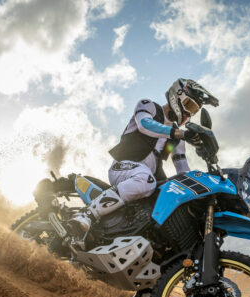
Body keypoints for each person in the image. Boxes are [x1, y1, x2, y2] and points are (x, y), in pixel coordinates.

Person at [68, 78, 219, 241]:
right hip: (123, 167)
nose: (189, 113)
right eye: (189, 105)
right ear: (178, 95)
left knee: (170, 196)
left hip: (147, 180)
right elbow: (145, 125)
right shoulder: (149, 107)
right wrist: (180, 133)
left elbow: (183, 169)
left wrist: (204, 155)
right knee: (146, 180)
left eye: (194, 111)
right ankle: (87, 214)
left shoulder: (177, 140)